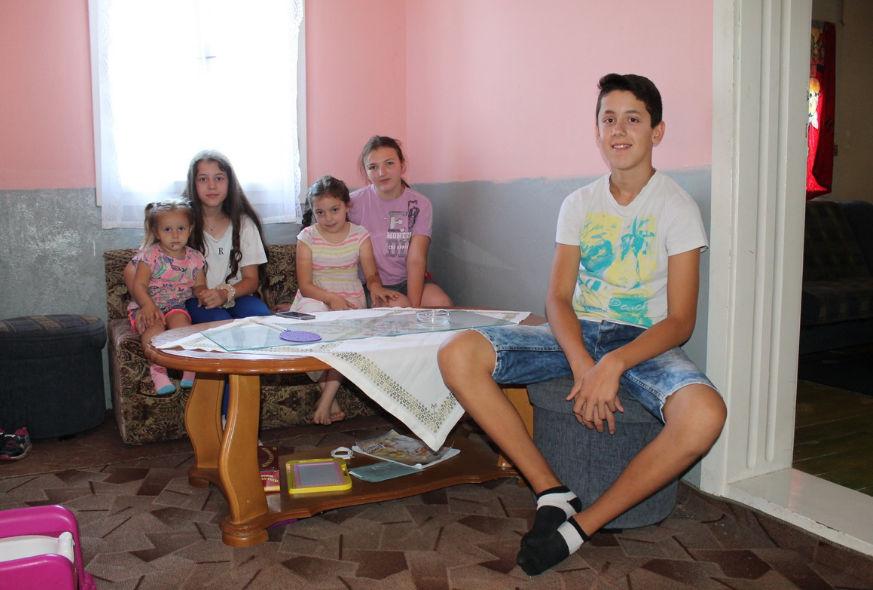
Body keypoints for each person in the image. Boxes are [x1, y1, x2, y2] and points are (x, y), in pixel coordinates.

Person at [437, 73, 727, 576]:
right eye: (608, 119)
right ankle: (551, 491)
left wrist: (612, 364)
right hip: (577, 331)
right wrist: (581, 363)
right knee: (457, 353)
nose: (619, 129)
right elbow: (557, 297)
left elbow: (681, 321)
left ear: (657, 131)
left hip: (643, 342)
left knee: (705, 414)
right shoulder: (579, 204)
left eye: (633, 119)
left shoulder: (677, 207)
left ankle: (581, 526)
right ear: (597, 131)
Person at [280, 175, 397, 424]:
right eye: (320, 212)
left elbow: (371, 274)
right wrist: (331, 299)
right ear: (313, 212)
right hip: (315, 295)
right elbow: (305, 285)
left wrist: (376, 288)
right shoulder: (307, 237)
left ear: (347, 206)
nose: (328, 218)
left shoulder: (360, 235)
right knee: (311, 328)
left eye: (334, 210)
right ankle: (329, 398)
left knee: (345, 338)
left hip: (350, 297)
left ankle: (326, 399)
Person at [124, 150, 271, 323]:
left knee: (261, 316)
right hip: (195, 300)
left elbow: (251, 280)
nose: (212, 186)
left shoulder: (244, 224)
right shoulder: (179, 224)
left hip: (236, 295)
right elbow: (131, 270)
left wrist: (224, 293)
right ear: (193, 184)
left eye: (219, 178)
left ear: (230, 183)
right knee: (218, 321)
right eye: (203, 179)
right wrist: (147, 305)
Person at [349, 136, 452, 308]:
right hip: (372, 285)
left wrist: (414, 307)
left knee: (440, 303)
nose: (382, 172)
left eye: (389, 163)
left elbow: (416, 259)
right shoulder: (352, 203)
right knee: (399, 307)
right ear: (366, 172)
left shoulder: (420, 204)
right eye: (373, 167)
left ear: (402, 165)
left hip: (408, 280)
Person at [128, 200, 206, 395]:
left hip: (176, 305)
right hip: (148, 305)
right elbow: (139, 284)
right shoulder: (150, 255)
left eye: (181, 228)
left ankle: (189, 366)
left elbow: (199, 285)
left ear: (190, 229)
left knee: (183, 327)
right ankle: (158, 371)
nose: (175, 235)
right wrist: (147, 305)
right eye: (168, 229)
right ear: (156, 232)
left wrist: (203, 293)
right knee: (154, 330)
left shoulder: (196, 258)